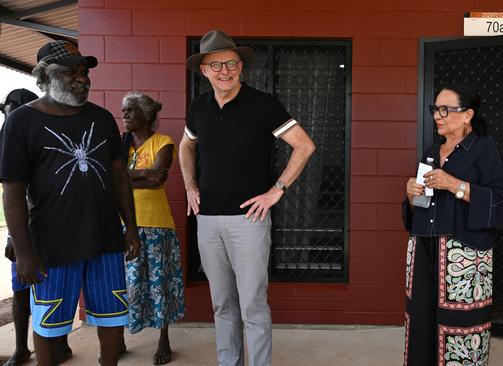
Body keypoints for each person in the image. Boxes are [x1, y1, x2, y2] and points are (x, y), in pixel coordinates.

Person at [180, 29, 316, 366]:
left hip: (249, 220)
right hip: (208, 219)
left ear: (241, 66)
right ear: (204, 71)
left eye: (231, 63)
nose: (225, 71)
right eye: (216, 65)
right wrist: (189, 186)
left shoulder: (263, 105)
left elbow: (304, 145)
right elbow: (186, 145)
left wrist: (276, 191)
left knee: (252, 305)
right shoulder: (199, 107)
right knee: (222, 304)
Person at [0, 40, 140, 366]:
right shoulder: (21, 122)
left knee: (111, 316)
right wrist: (23, 251)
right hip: (52, 244)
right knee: (49, 323)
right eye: (70, 72)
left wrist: (130, 227)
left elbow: (120, 177)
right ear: (44, 77)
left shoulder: (103, 118)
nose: (81, 78)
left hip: (104, 238)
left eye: (84, 72)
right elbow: (13, 191)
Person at [402, 85, 503, 365]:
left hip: (463, 255)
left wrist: (454, 185)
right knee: (421, 320)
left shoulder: (483, 149)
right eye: (435, 109)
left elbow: (500, 201)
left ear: (467, 115)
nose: (438, 115)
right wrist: (411, 196)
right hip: (424, 250)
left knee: (460, 328)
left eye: (446, 109)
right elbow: (420, 208)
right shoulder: (430, 152)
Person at [2, 89, 74, 366]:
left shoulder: (41, 133)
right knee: (21, 289)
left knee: (58, 291)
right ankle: (22, 348)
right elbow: (12, 193)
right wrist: (15, 238)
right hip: (23, 231)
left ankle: (62, 344)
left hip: (47, 229)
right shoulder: (9, 135)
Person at [120, 92, 185, 365]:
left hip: (156, 224)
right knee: (123, 284)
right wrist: (142, 174)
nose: (124, 116)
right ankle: (117, 340)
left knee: (160, 284)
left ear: (146, 115)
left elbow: (158, 179)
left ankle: (163, 339)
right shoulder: (120, 145)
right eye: (123, 111)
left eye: (130, 111)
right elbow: (106, 176)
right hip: (122, 224)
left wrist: (124, 178)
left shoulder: (163, 143)